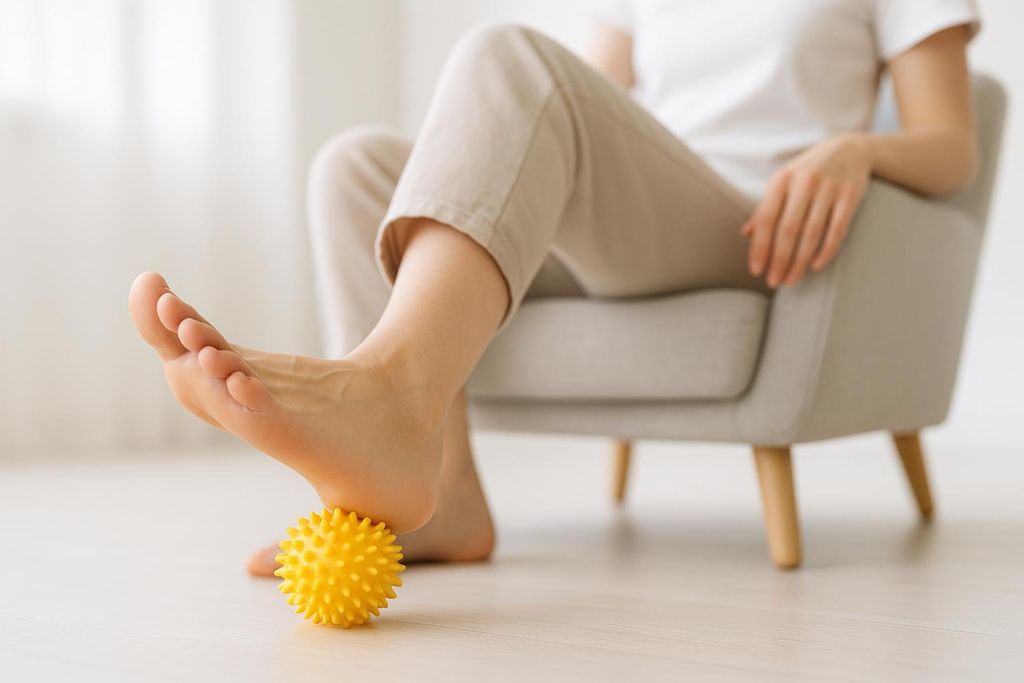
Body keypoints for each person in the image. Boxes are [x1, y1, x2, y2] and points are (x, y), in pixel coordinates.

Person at [128, 0, 981, 574]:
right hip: (635, 204)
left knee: (509, 55)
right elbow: (585, 107)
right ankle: (442, 501)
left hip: (754, 221)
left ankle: (386, 391)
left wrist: (856, 149)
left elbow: (953, 143)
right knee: (355, 166)